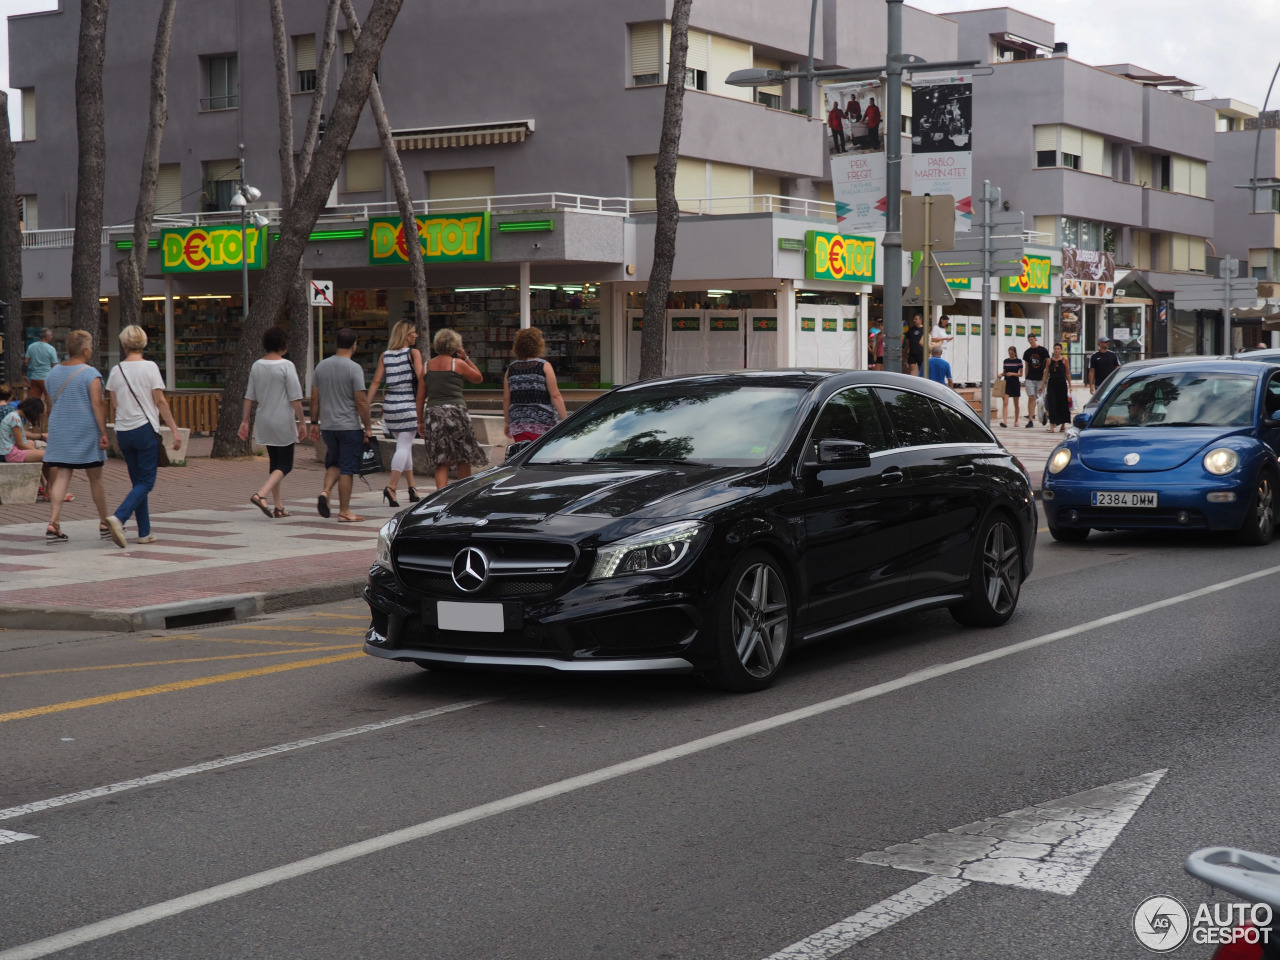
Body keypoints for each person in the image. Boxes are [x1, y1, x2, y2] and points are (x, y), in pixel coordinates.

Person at [103, 325, 181, 547]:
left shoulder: (116, 370)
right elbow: (159, 401)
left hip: (124, 430)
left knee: (138, 483)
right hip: (145, 428)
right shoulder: (150, 367)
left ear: (124, 344)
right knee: (146, 482)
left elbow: (116, 405)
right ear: (143, 343)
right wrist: (174, 429)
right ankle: (119, 517)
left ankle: (144, 532)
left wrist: (117, 430)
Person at [41, 330, 111, 544]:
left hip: (60, 428)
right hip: (85, 429)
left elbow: (51, 401)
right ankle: (103, 522)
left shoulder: (52, 374)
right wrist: (103, 432)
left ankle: (54, 522)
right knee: (95, 477)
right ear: (86, 350)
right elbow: (96, 404)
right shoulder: (91, 374)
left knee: (62, 474)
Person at [239, 325, 307, 519]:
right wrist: (302, 421)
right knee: (286, 464)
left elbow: (249, 396)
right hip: (282, 419)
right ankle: (261, 494)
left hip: (264, 419)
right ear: (283, 344)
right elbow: (295, 397)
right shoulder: (287, 366)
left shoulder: (256, 365)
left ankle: (278, 506)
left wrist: (245, 421)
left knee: (275, 463)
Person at [309, 327, 373, 523]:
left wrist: (314, 422)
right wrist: (368, 426)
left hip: (328, 426)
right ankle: (344, 510)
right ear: (354, 344)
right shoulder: (354, 368)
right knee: (347, 468)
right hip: (348, 426)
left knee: (334, 462)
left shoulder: (321, 366)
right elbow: (361, 401)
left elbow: (314, 398)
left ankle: (325, 491)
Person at [366, 319, 425, 507]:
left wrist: (366, 404)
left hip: (391, 406)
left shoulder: (386, 355)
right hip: (408, 404)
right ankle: (391, 487)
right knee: (404, 447)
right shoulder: (413, 353)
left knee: (403, 445)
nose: (416, 335)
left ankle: (412, 488)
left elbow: (375, 382)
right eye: (413, 332)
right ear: (406, 335)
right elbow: (421, 376)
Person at [423, 328, 488, 490]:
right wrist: (466, 358)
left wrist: (419, 421)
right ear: (455, 345)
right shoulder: (457, 364)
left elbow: (419, 397)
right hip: (456, 412)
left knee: (441, 460)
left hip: (433, 413)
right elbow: (478, 378)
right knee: (463, 456)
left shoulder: (426, 367)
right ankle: (463, 494)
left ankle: (440, 497)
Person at [503, 327, 568, 445]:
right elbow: (555, 395)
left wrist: (507, 422)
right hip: (543, 423)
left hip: (518, 423)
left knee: (523, 455)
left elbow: (507, 399)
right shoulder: (544, 366)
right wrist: (566, 420)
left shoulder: (511, 368)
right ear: (539, 345)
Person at [1, 398, 51, 493]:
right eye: (39, 415)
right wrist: (35, 451)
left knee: (44, 455)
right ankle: (50, 490)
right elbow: (21, 444)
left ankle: (47, 487)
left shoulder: (15, 416)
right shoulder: (15, 418)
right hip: (13, 453)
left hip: (12, 451)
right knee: (49, 456)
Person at [1022, 334, 1050, 427]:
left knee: (1041, 398)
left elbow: (1047, 364)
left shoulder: (1043, 350)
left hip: (1040, 378)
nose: (1031, 341)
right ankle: (1030, 419)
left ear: (1035, 339)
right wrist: (1025, 379)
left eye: (1032, 339)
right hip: (1030, 378)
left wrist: (1045, 378)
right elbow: (1026, 366)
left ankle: (1043, 414)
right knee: (1031, 398)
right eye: (1029, 339)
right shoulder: (1027, 352)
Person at [23, 327, 58, 404]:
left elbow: (26, 362)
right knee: (49, 401)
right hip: (47, 378)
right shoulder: (51, 349)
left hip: (34, 377)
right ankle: (48, 416)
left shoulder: (31, 347)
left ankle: (35, 416)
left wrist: (24, 374)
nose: (51, 337)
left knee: (34, 402)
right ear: (47, 336)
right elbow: (54, 365)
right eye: (51, 336)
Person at [1045, 342, 1071, 432]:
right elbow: (1046, 373)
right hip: (1052, 383)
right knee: (1052, 403)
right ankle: (1052, 425)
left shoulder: (1065, 360)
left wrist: (1070, 385)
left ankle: (1063, 424)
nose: (1056, 350)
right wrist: (1042, 384)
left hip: (1062, 383)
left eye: (1058, 349)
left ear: (1060, 350)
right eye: (1055, 349)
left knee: (1062, 403)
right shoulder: (1049, 361)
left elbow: (1067, 373)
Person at [999, 346, 1023, 428]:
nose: (1010, 355)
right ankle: (1005, 421)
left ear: (1015, 353)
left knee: (1016, 403)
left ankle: (1016, 420)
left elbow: (1021, 374)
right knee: (1005, 402)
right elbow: (1004, 372)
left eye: (1012, 354)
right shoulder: (1006, 361)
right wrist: (1001, 374)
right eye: (1009, 353)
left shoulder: (1019, 361)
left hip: (1015, 383)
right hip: (1007, 383)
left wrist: (1012, 373)